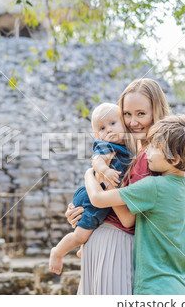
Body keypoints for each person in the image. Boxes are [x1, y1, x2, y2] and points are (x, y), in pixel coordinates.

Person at [66, 78, 170, 295]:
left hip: (116, 243)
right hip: (105, 241)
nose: (132, 122)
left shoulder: (151, 158)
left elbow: (127, 218)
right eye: (127, 114)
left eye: (141, 114)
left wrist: (92, 179)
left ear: (156, 112)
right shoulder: (128, 151)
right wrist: (81, 208)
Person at [84, 114, 185, 294]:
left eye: (154, 148)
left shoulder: (154, 186)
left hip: (154, 286)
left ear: (174, 159)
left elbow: (97, 199)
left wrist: (89, 173)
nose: (147, 153)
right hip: (181, 285)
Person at [49, 103, 132, 275]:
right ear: (96, 135)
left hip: (100, 194)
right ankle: (58, 252)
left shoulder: (128, 148)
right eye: (102, 128)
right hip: (91, 196)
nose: (108, 130)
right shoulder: (106, 146)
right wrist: (105, 170)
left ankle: (82, 247)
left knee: (89, 228)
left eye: (113, 124)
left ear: (123, 123)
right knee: (80, 234)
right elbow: (97, 161)